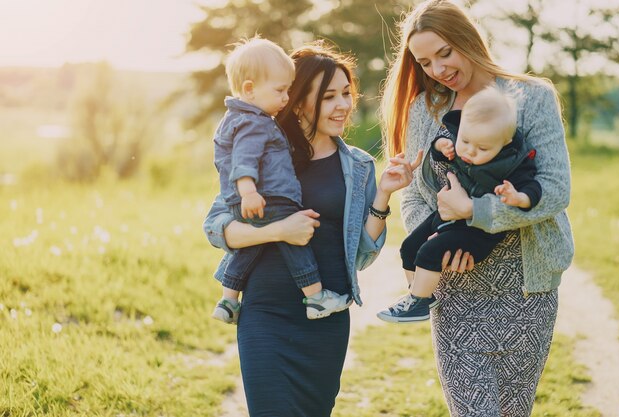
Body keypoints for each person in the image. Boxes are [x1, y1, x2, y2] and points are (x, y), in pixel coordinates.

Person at [203, 41, 419, 416]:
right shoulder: (260, 150)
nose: (343, 106)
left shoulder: (359, 166)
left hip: (327, 315)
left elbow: (363, 255)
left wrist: (383, 194)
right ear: (299, 100)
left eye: (346, 94)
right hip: (266, 313)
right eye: (329, 96)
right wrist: (279, 231)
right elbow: (217, 229)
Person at [380, 1, 574, 415]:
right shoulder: (425, 109)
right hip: (455, 291)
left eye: (445, 52)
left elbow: (554, 191)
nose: (438, 69)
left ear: (468, 39)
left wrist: (474, 211)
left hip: (526, 290)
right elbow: (416, 196)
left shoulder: (532, 97)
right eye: (425, 61)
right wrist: (441, 240)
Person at [211, 37, 351, 325]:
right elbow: (243, 161)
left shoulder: (235, 118)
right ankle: (315, 297)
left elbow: (361, 248)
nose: (285, 99)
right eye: (280, 90)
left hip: (253, 199)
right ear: (249, 89)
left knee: (249, 249)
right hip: (270, 199)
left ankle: (227, 300)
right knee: (295, 243)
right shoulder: (254, 122)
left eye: (288, 90)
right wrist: (253, 196)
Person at [378, 85, 542, 323]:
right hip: (447, 215)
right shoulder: (460, 138)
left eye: (482, 148)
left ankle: (418, 303)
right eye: (465, 141)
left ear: (504, 143)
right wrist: (439, 148)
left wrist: (518, 198)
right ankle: (418, 295)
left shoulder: (513, 162)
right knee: (409, 247)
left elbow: (533, 189)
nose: (470, 152)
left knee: (429, 252)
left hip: (478, 232)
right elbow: (438, 156)